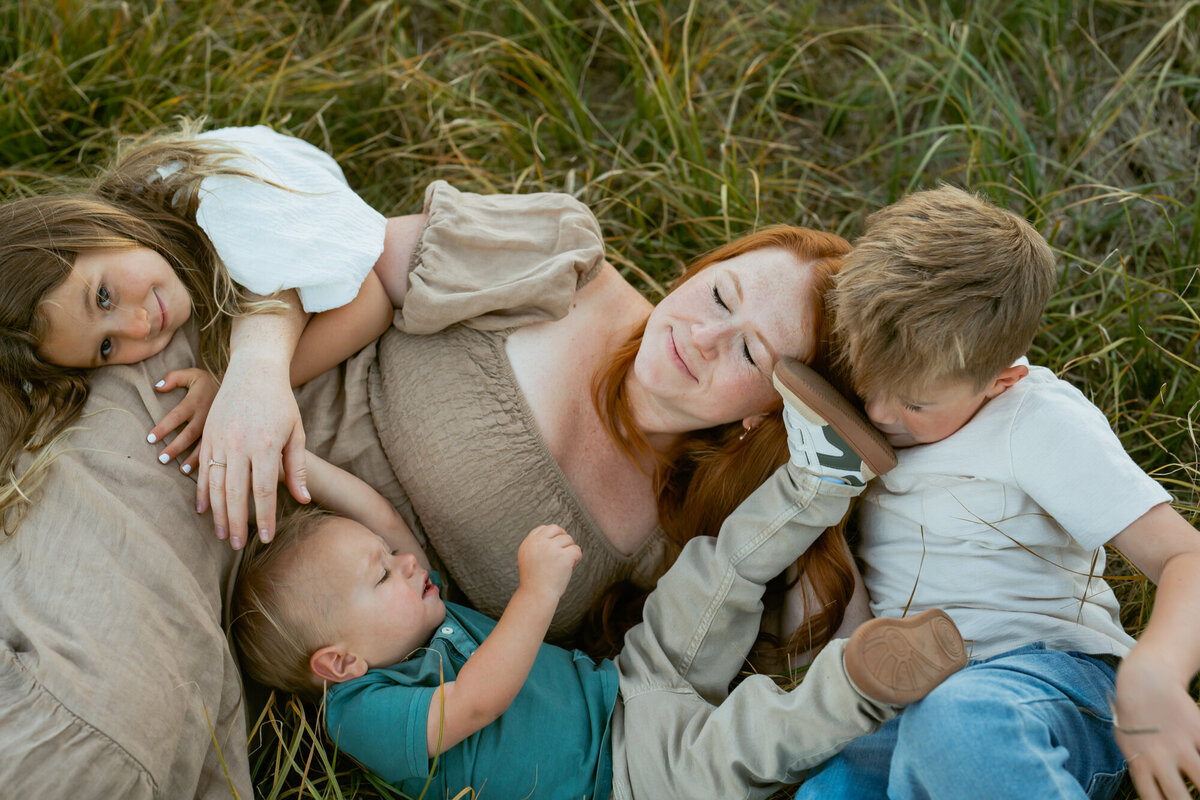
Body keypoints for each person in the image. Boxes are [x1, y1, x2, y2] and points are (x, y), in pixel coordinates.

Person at [4, 122, 866, 649]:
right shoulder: (560, 261)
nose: (703, 338)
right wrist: (250, 375)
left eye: (752, 354)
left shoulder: (685, 521)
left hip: (275, 616)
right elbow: (346, 249)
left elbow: (820, 619)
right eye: (719, 295)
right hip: (202, 430)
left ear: (768, 418)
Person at [231, 361, 968, 800]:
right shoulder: (362, 715)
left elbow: (382, 517)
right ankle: (865, 681)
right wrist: (535, 594)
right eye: (382, 575)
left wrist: (295, 455)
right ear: (338, 662)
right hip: (628, 782)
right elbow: (480, 701)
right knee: (749, 738)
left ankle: (820, 478)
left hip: (627, 685)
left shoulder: (407, 621)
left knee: (711, 578)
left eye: (392, 559)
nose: (408, 561)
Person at [792, 185, 1200, 799]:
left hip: (1042, 681)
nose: (878, 410)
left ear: (999, 380)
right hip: (904, 690)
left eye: (917, 402)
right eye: (865, 377)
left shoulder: (1033, 419)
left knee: (958, 722)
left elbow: (1184, 557)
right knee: (835, 782)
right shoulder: (873, 398)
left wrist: (1158, 671)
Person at [0, 124, 416, 543]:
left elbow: (372, 300)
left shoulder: (201, 193)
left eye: (104, 297)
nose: (139, 326)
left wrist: (238, 382)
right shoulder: (169, 281)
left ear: (89, 225)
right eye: (107, 346)